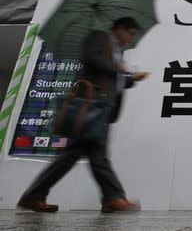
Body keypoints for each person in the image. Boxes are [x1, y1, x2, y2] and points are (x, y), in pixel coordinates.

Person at [17, 17, 149, 213]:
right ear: (120, 28)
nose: (130, 38)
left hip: (101, 107)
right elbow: (91, 58)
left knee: (86, 154)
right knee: (92, 154)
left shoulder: (115, 52)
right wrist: (119, 68)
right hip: (90, 105)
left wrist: (131, 79)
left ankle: (34, 196)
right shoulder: (99, 37)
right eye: (130, 33)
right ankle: (113, 198)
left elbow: (114, 80)